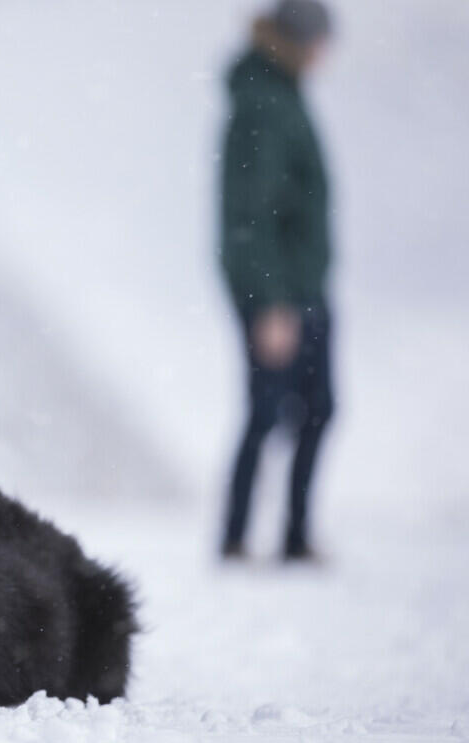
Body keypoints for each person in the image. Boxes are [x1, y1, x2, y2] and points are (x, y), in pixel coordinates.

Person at [218, 0, 335, 562]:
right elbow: (251, 214)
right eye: (319, 41)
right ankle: (242, 538)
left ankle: (287, 534)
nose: (326, 54)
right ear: (297, 40)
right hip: (283, 294)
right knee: (270, 413)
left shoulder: (280, 93)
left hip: (301, 287)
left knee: (311, 410)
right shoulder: (265, 102)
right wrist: (270, 304)